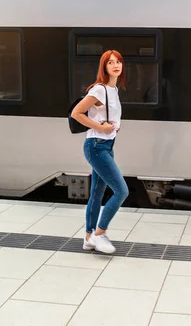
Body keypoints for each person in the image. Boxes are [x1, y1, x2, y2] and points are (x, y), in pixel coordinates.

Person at [71, 49, 129, 254]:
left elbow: (105, 117)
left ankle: (88, 238)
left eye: (118, 62)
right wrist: (101, 128)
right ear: (104, 67)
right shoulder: (99, 90)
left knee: (97, 193)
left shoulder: (113, 90)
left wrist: (112, 127)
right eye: (110, 62)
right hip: (96, 146)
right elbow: (76, 113)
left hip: (106, 146)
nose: (116, 65)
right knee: (122, 191)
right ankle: (99, 234)